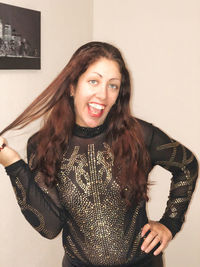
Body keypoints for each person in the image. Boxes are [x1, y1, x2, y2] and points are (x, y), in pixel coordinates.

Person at [0, 41, 198, 267]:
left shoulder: (139, 135)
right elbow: (50, 226)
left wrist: (170, 224)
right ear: (72, 86)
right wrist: (12, 164)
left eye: (113, 86)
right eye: (93, 81)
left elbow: (187, 165)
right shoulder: (43, 145)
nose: (103, 95)